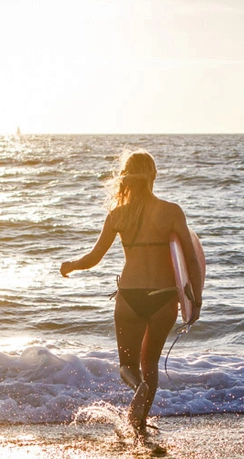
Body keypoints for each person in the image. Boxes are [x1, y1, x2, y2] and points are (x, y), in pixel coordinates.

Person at [60, 149, 202, 436]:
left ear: (125, 178)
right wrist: (195, 300)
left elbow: (93, 258)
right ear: (153, 175)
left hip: (128, 297)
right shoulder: (171, 212)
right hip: (163, 297)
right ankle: (138, 422)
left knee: (128, 365)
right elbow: (190, 260)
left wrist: (71, 266)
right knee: (149, 362)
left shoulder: (118, 215)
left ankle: (138, 389)